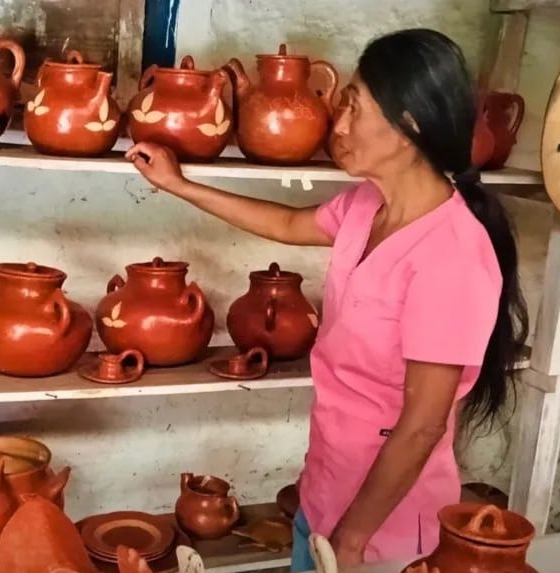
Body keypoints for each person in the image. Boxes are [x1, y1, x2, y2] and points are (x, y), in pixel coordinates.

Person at [127, 28, 528, 571]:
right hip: (323, 497)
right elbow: (290, 223)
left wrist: (353, 540)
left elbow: (422, 427)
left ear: (409, 125)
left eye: (354, 109)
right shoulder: (367, 206)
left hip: (381, 530)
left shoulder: (453, 254)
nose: (338, 127)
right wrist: (179, 185)